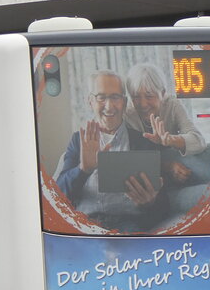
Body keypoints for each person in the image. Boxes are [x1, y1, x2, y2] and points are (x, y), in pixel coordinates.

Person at [53, 70, 164, 227]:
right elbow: (58, 196)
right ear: (90, 101)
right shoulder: (78, 140)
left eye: (115, 97)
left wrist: (150, 203)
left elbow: (163, 207)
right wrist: (83, 169)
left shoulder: (144, 141)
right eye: (101, 98)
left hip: (129, 226)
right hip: (86, 226)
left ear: (124, 102)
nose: (109, 106)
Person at [126, 63, 205, 155]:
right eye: (136, 97)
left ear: (162, 93)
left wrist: (170, 140)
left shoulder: (172, 104)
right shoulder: (127, 113)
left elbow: (199, 141)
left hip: (173, 157)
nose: (143, 104)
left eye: (149, 96)